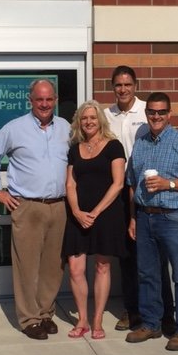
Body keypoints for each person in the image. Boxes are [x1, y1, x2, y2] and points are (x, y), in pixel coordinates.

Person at [0, 79, 70, 340]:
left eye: (49, 99)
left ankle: (45, 313)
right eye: (39, 99)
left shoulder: (65, 127)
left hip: (59, 206)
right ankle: (29, 319)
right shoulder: (15, 128)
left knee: (53, 266)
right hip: (28, 207)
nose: (45, 104)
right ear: (30, 101)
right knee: (27, 267)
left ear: (55, 100)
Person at [125, 92, 178, 351]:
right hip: (144, 216)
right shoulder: (140, 143)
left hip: (172, 217)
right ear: (146, 114)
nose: (156, 116)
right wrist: (132, 217)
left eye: (161, 112)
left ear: (169, 114)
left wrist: (168, 184)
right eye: (152, 112)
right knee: (147, 274)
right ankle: (151, 323)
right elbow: (131, 182)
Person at [104, 66, 175, 336]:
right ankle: (132, 310)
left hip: (146, 190)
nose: (123, 89)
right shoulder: (106, 115)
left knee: (154, 257)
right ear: (112, 87)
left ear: (135, 85)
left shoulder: (148, 112)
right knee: (127, 255)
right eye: (118, 85)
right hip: (119, 191)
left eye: (127, 84)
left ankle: (166, 314)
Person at [63, 100, 127, 340]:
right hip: (78, 215)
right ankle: (82, 320)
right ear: (79, 122)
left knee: (102, 266)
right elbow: (70, 184)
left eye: (92, 117)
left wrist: (96, 212)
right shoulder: (74, 149)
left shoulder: (114, 146)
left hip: (106, 214)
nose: (88, 122)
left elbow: (118, 184)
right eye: (84, 118)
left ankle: (97, 319)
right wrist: (77, 211)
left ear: (100, 120)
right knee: (75, 268)